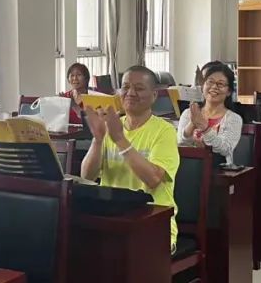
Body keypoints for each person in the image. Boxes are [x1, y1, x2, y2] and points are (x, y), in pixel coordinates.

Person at [81, 65, 180, 251]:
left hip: (153, 222)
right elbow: (87, 176)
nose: (130, 93)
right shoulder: (111, 125)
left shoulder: (164, 131)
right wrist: (98, 139)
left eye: (139, 88)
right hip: (111, 218)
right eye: (125, 87)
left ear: (154, 96)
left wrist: (120, 140)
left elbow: (153, 179)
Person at [177, 61, 243, 160]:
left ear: (229, 91)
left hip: (218, 168)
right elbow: (180, 144)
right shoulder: (188, 113)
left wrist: (205, 128)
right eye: (210, 82)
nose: (214, 87)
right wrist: (192, 124)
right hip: (189, 165)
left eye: (220, 84)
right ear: (203, 86)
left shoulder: (234, 119)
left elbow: (225, 149)